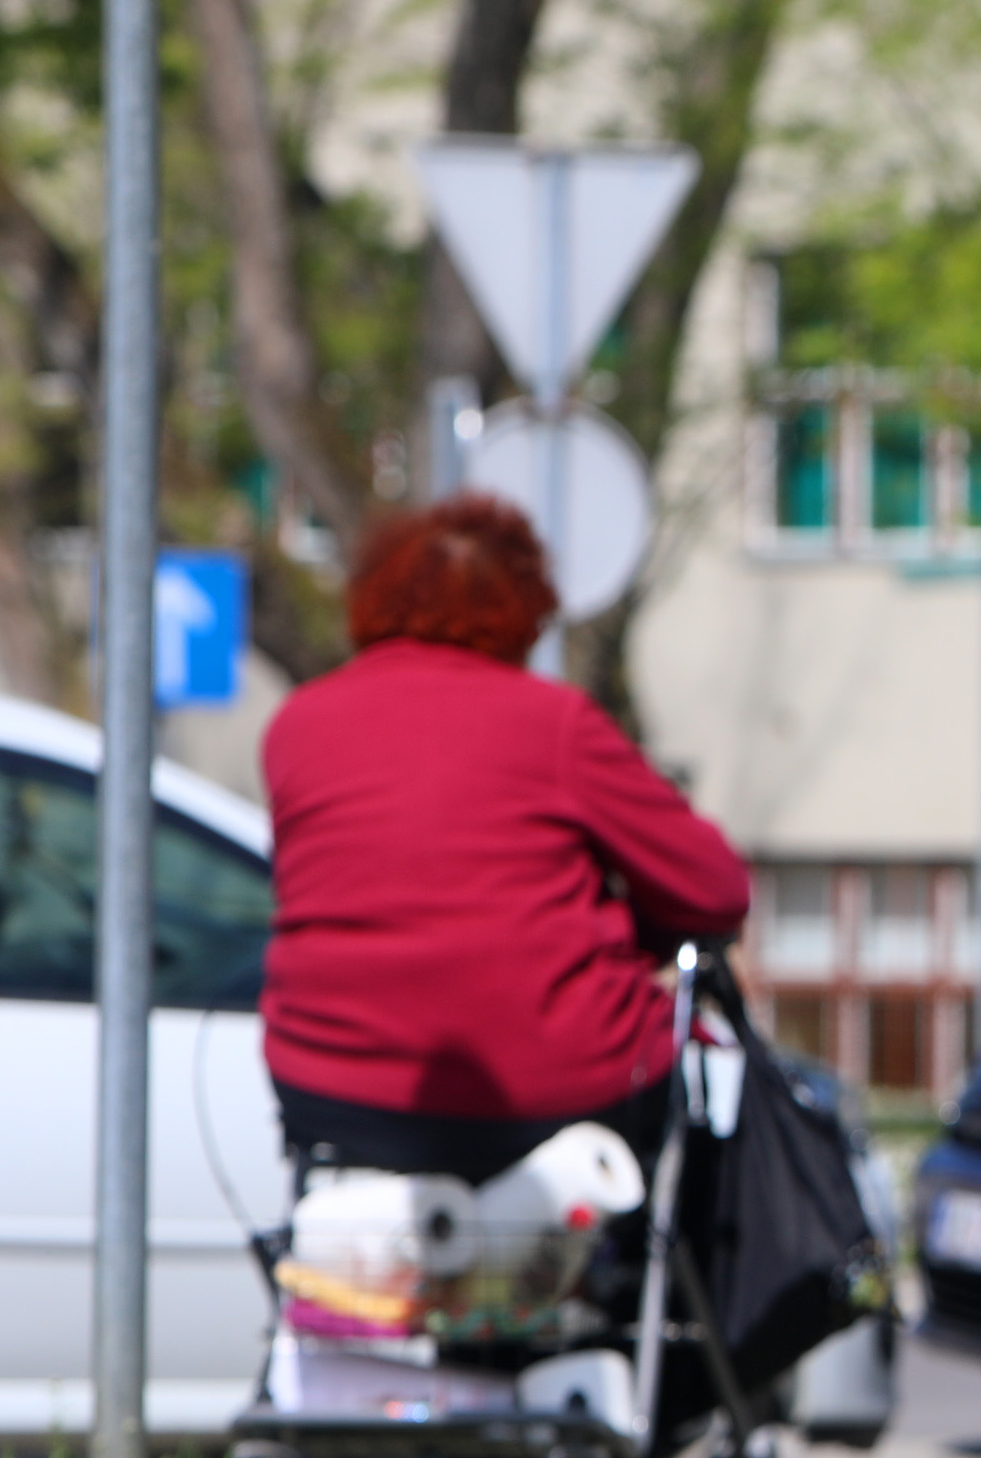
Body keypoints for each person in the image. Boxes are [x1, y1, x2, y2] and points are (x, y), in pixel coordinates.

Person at [260, 494, 750, 1187]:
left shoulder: (297, 727)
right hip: (554, 1086)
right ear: (524, 609)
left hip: (329, 1087)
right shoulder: (553, 724)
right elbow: (714, 888)